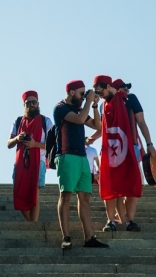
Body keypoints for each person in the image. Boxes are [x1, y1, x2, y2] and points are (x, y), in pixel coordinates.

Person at [88, 75, 149, 232]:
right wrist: (92, 138)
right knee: (110, 183)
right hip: (110, 148)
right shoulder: (103, 105)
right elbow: (103, 127)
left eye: (99, 91)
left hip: (131, 146)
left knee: (132, 182)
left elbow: (141, 122)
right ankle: (111, 220)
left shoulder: (130, 99)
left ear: (108, 87)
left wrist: (149, 144)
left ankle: (130, 220)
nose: (99, 94)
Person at [53, 79, 108, 249]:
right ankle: (66, 237)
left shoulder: (80, 108)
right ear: (71, 93)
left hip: (82, 157)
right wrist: (88, 102)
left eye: (85, 93)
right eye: (81, 93)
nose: (83, 96)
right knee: (66, 195)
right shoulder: (60, 108)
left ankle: (89, 237)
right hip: (66, 156)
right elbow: (79, 120)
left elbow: (96, 125)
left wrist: (93, 106)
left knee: (84, 197)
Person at [7, 90, 53, 221]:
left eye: (34, 102)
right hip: (20, 162)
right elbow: (8, 143)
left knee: (34, 193)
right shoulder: (17, 122)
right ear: (24, 104)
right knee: (18, 193)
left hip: (39, 161)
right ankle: (31, 223)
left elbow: (54, 145)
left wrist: (34, 144)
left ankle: (33, 224)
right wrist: (17, 138)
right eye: (28, 103)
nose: (32, 105)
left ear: (38, 103)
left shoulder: (46, 121)